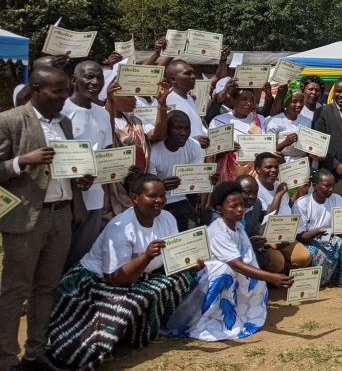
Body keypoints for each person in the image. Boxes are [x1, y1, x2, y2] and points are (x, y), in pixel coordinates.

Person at [43, 174, 201, 370]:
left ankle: (141, 332)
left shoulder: (167, 218)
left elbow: (170, 259)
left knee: (182, 279)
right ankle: (98, 343)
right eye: (152, 196)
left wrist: (189, 265)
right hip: (96, 280)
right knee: (125, 304)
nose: (159, 201)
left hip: (139, 275)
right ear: (135, 198)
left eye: (162, 195)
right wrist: (145, 258)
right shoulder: (121, 228)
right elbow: (114, 279)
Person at [0, 67, 93, 371]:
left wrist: (78, 179)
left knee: (46, 288)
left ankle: (35, 353)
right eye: (57, 91)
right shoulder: (10, 121)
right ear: (36, 89)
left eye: (66, 91)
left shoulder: (63, 123)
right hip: (26, 219)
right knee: (16, 291)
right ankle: (7, 360)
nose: (64, 97)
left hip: (61, 215)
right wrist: (21, 161)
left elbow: (64, 167)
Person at [164, 181, 292, 341]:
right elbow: (237, 265)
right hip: (206, 278)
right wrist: (272, 277)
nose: (240, 209)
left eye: (241, 205)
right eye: (233, 206)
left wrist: (252, 244)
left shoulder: (237, 226)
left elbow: (241, 252)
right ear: (219, 209)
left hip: (230, 270)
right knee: (225, 271)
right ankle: (208, 320)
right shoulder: (219, 230)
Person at [62, 60, 116, 271]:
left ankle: (73, 290)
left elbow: (106, 154)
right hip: (66, 198)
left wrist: (108, 191)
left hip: (94, 199)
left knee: (81, 256)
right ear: (74, 80)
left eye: (99, 77)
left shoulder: (103, 113)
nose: (95, 82)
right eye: (88, 76)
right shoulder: (61, 110)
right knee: (58, 256)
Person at [147, 111, 208, 232]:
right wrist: (162, 186)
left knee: (193, 232)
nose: (183, 133)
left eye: (187, 128)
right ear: (166, 129)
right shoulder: (153, 152)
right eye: (178, 128)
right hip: (159, 202)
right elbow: (149, 189)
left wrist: (207, 179)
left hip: (181, 199)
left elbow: (195, 180)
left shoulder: (194, 146)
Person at [253, 152, 311, 274]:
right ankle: (268, 277)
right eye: (268, 167)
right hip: (266, 238)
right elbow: (266, 217)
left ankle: (280, 275)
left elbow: (287, 206)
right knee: (277, 262)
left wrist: (300, 192)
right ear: (257, 169)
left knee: (304, 258)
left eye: (276, 167)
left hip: (284, 233)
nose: (274, 170)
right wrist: (278, 194)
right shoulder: (255, 188)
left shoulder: (279, 185)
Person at [292, 168, 342, 287]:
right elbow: (299, 236)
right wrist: (318, 232)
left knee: (340, 243)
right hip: (308, 239)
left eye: (333, 185)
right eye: (327, 185)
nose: (331, 189)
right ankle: (315, 280)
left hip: (329, 236)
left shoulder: (337, 199)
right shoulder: (302, 204)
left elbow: (339, 224)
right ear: (315, 186)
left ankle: (334, 276)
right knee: (316, 250)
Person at [210, 86, 268, 182]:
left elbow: (266, 145)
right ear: (233, 101)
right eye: (244, 99)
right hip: (227, 174)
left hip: (254, 175)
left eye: (251, 100)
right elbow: (211, 150)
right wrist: (226, 148)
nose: (249, 103)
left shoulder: (259, 119)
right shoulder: (219, 121)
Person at [158, 60, 210, 141]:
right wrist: (191, 141)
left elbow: (197, 128)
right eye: (188, 73)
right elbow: (162, 132)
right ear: (173, 79)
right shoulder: (165, 99)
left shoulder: (189, 98)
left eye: (193, 73)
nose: (193, 76)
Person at [265, 83, 310, 162]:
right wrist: (284, 143)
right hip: (281, 164)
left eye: (301, 101)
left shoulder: (307, 121)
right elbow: (267, 152)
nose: (299, 105)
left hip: (302, 164)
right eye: (294, 101)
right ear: (286, 103)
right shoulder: (275, 121)